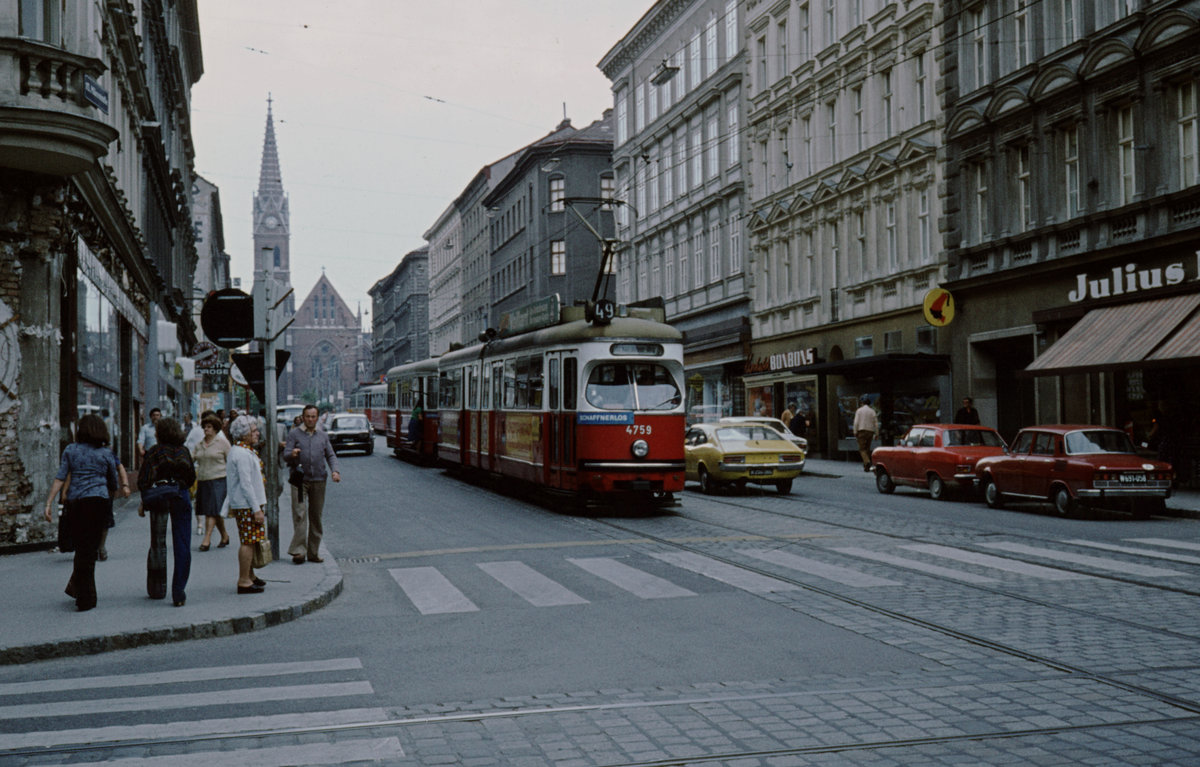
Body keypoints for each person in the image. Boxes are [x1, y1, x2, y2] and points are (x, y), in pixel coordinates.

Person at [42, 414, 124, 611]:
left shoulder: (71, 450)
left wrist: (48, 503)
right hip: (98, 503)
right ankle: (86, 597)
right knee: (90, 549)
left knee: (81, 548)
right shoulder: (105, 453)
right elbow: (113, 482)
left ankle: (82, 592)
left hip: (77, 503)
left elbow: (61, 477)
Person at [137, 417, 196, 606]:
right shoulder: (184, 451)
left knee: (158, 543)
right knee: (182, 543)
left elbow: (144, 479)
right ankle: (179, 592)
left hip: (159, 497)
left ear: (161, 433)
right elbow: (191, 477)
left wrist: (143, 500)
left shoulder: (155, 452)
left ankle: (157, 587)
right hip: (180, 495)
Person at [284, 404, 341, 565]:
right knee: (300, 514)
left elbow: (330, 455)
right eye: (307, 416)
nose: (310, 419)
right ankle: (299, 551)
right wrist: (292, 453)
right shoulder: (294, 434)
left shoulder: (322, 435)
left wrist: (335, 471)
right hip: (299, 480)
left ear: (317, 418)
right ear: (303, 417)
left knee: (316, 516)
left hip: (318, 480)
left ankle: (313, 552)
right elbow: (286, 454)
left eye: (313, 416)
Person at [226, 415, 268, 594]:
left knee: (251, 540)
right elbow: (246, 484)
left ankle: (249, 575)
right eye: (253, 431)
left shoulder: (243, 450)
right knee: (248, 541)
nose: (257, 433)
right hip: (247, 504)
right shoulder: (241, 454)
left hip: (246, 503)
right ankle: (244, 580)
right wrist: (256, 508)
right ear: (243, 434)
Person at [193, 414, 232, 552]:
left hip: (219, 479)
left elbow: (231, 461)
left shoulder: (222, 443)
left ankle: (207, 539)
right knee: (215, 510)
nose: (206, 430)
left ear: (215, 429)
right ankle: (225, 536)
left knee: (211, 510)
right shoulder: (199, 445)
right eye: (204, 427)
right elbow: (192, 459)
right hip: (203, 480)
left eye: (209, 427)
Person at [853, 396, 878, 472]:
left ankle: (867, 462)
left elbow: (856, 422)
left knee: (862, 449)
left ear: (862, 403)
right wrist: (877, 433)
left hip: (861, 431)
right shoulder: (872, 411)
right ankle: (866, 467)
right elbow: (876, 423)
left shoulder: (859, 411)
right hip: (870, 431)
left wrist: (855, 431)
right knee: (867, 448)